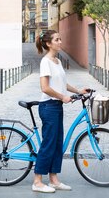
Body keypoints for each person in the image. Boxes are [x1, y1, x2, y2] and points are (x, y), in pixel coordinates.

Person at [32, 30, 89, 193]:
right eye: (57, 39)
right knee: (48, 144)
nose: (60, 42)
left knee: (57, 145)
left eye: (60, 39)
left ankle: (54, 180)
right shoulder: (46, 62)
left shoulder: (57, 61)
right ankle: (37, 181)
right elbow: (45, 88)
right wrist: (62, 97)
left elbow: (62, 83)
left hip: (57, 106)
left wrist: (78, 90)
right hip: (48, 106)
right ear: (49, 43)